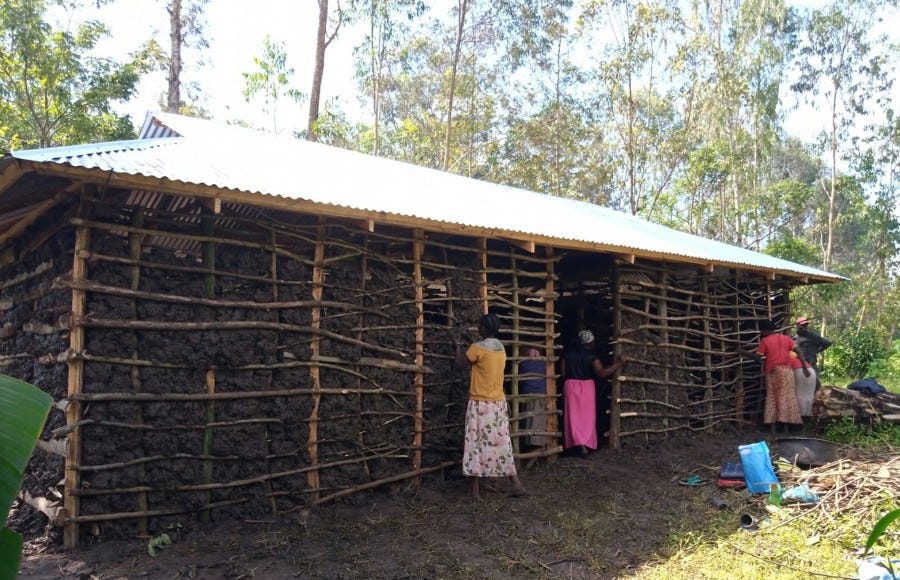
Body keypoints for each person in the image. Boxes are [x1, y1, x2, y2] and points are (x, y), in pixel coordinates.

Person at [454, 312, 525, 500]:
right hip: (498, 404)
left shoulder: (477, 348)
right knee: (501, 443)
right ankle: (515, 483)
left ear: (483, 329)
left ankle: (475, 492)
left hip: (480, 403)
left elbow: (459, 364)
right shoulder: (501, 349)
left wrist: (458, 348)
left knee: (474, 444)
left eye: (479, 326)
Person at [560, 330, 628, 457]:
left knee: (573, 417)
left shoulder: (567, 355)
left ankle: (577, 444)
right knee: (586, 418)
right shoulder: (593, 356)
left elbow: (563, 374)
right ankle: (584, 444)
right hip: (586, 387)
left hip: (570, 386)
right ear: (591, 342)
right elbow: (602, 373)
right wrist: (618, 363)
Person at [751, 319, 810, 433]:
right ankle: (786, 429)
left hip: (773, 372)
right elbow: (799, 352)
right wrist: (804, 368)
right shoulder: (786, 339)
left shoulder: (765, 341)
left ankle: (773, 429)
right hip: (787, 372)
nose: (760, 332)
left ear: (767, 330)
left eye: (762, 330)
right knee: (787, 397)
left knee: (773, 398)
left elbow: (758, 358)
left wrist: (744, 353)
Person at [518, 348, 547, 450]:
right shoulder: (543, 363)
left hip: (528, 393)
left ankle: (528, 443)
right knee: (538, 419)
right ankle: (537, 443)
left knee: (528, 419)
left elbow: (520, 379)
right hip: (541, 393)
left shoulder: (524, 363)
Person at [795, 317, 832, 383]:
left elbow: (827, 343)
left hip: (811, 364)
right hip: (798, 365)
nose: (804, 327)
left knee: (815, 383)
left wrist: (817, 351)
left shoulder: (812, 336)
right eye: (802, 325)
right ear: (797, 326)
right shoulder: (794, 338)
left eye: (805, 325)